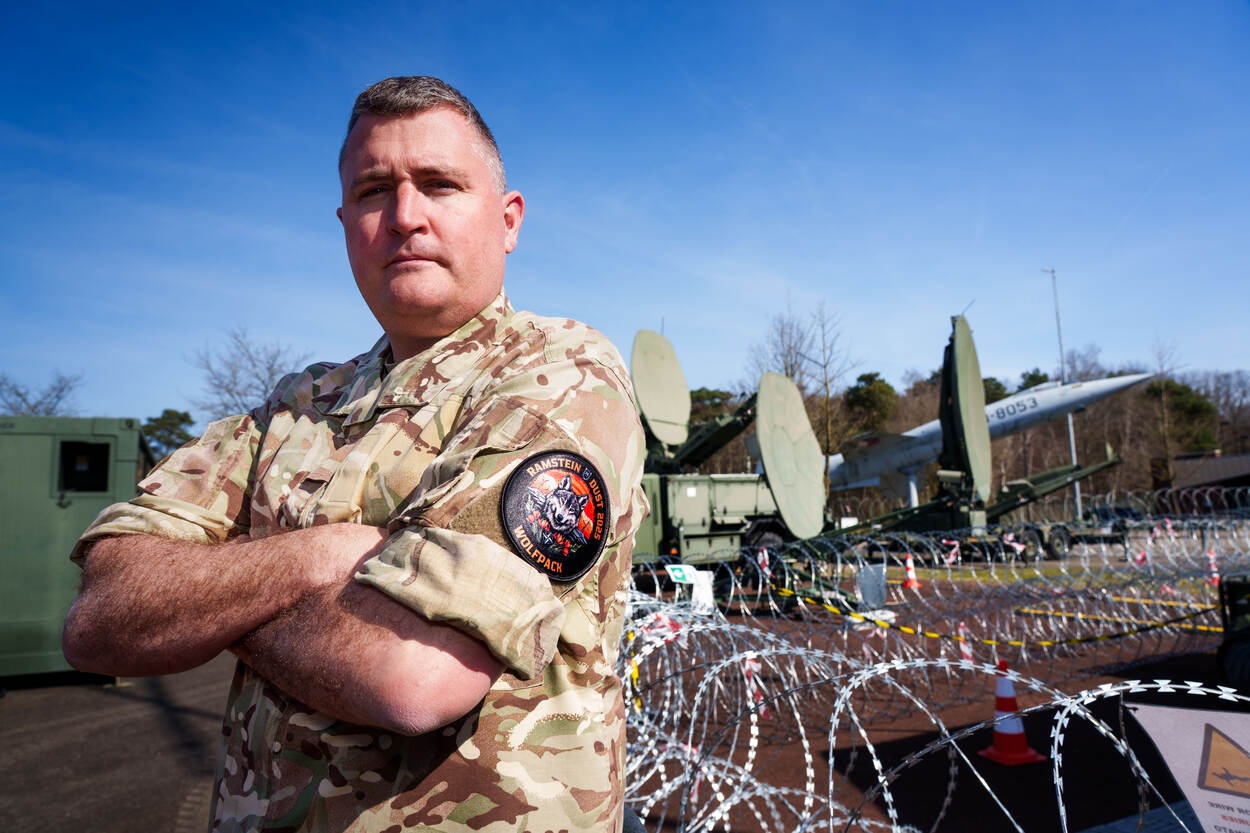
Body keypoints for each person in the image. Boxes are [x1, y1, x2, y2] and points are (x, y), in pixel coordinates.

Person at [62, 76, 648, 833]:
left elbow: (412, 674)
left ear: (508, 221)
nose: (406, 216)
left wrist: (207, 598)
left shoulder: (559, 372)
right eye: (374, 190)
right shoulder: (297, 403)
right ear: (344, 222)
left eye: (439, 184)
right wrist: (317, 556)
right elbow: (98, 615)